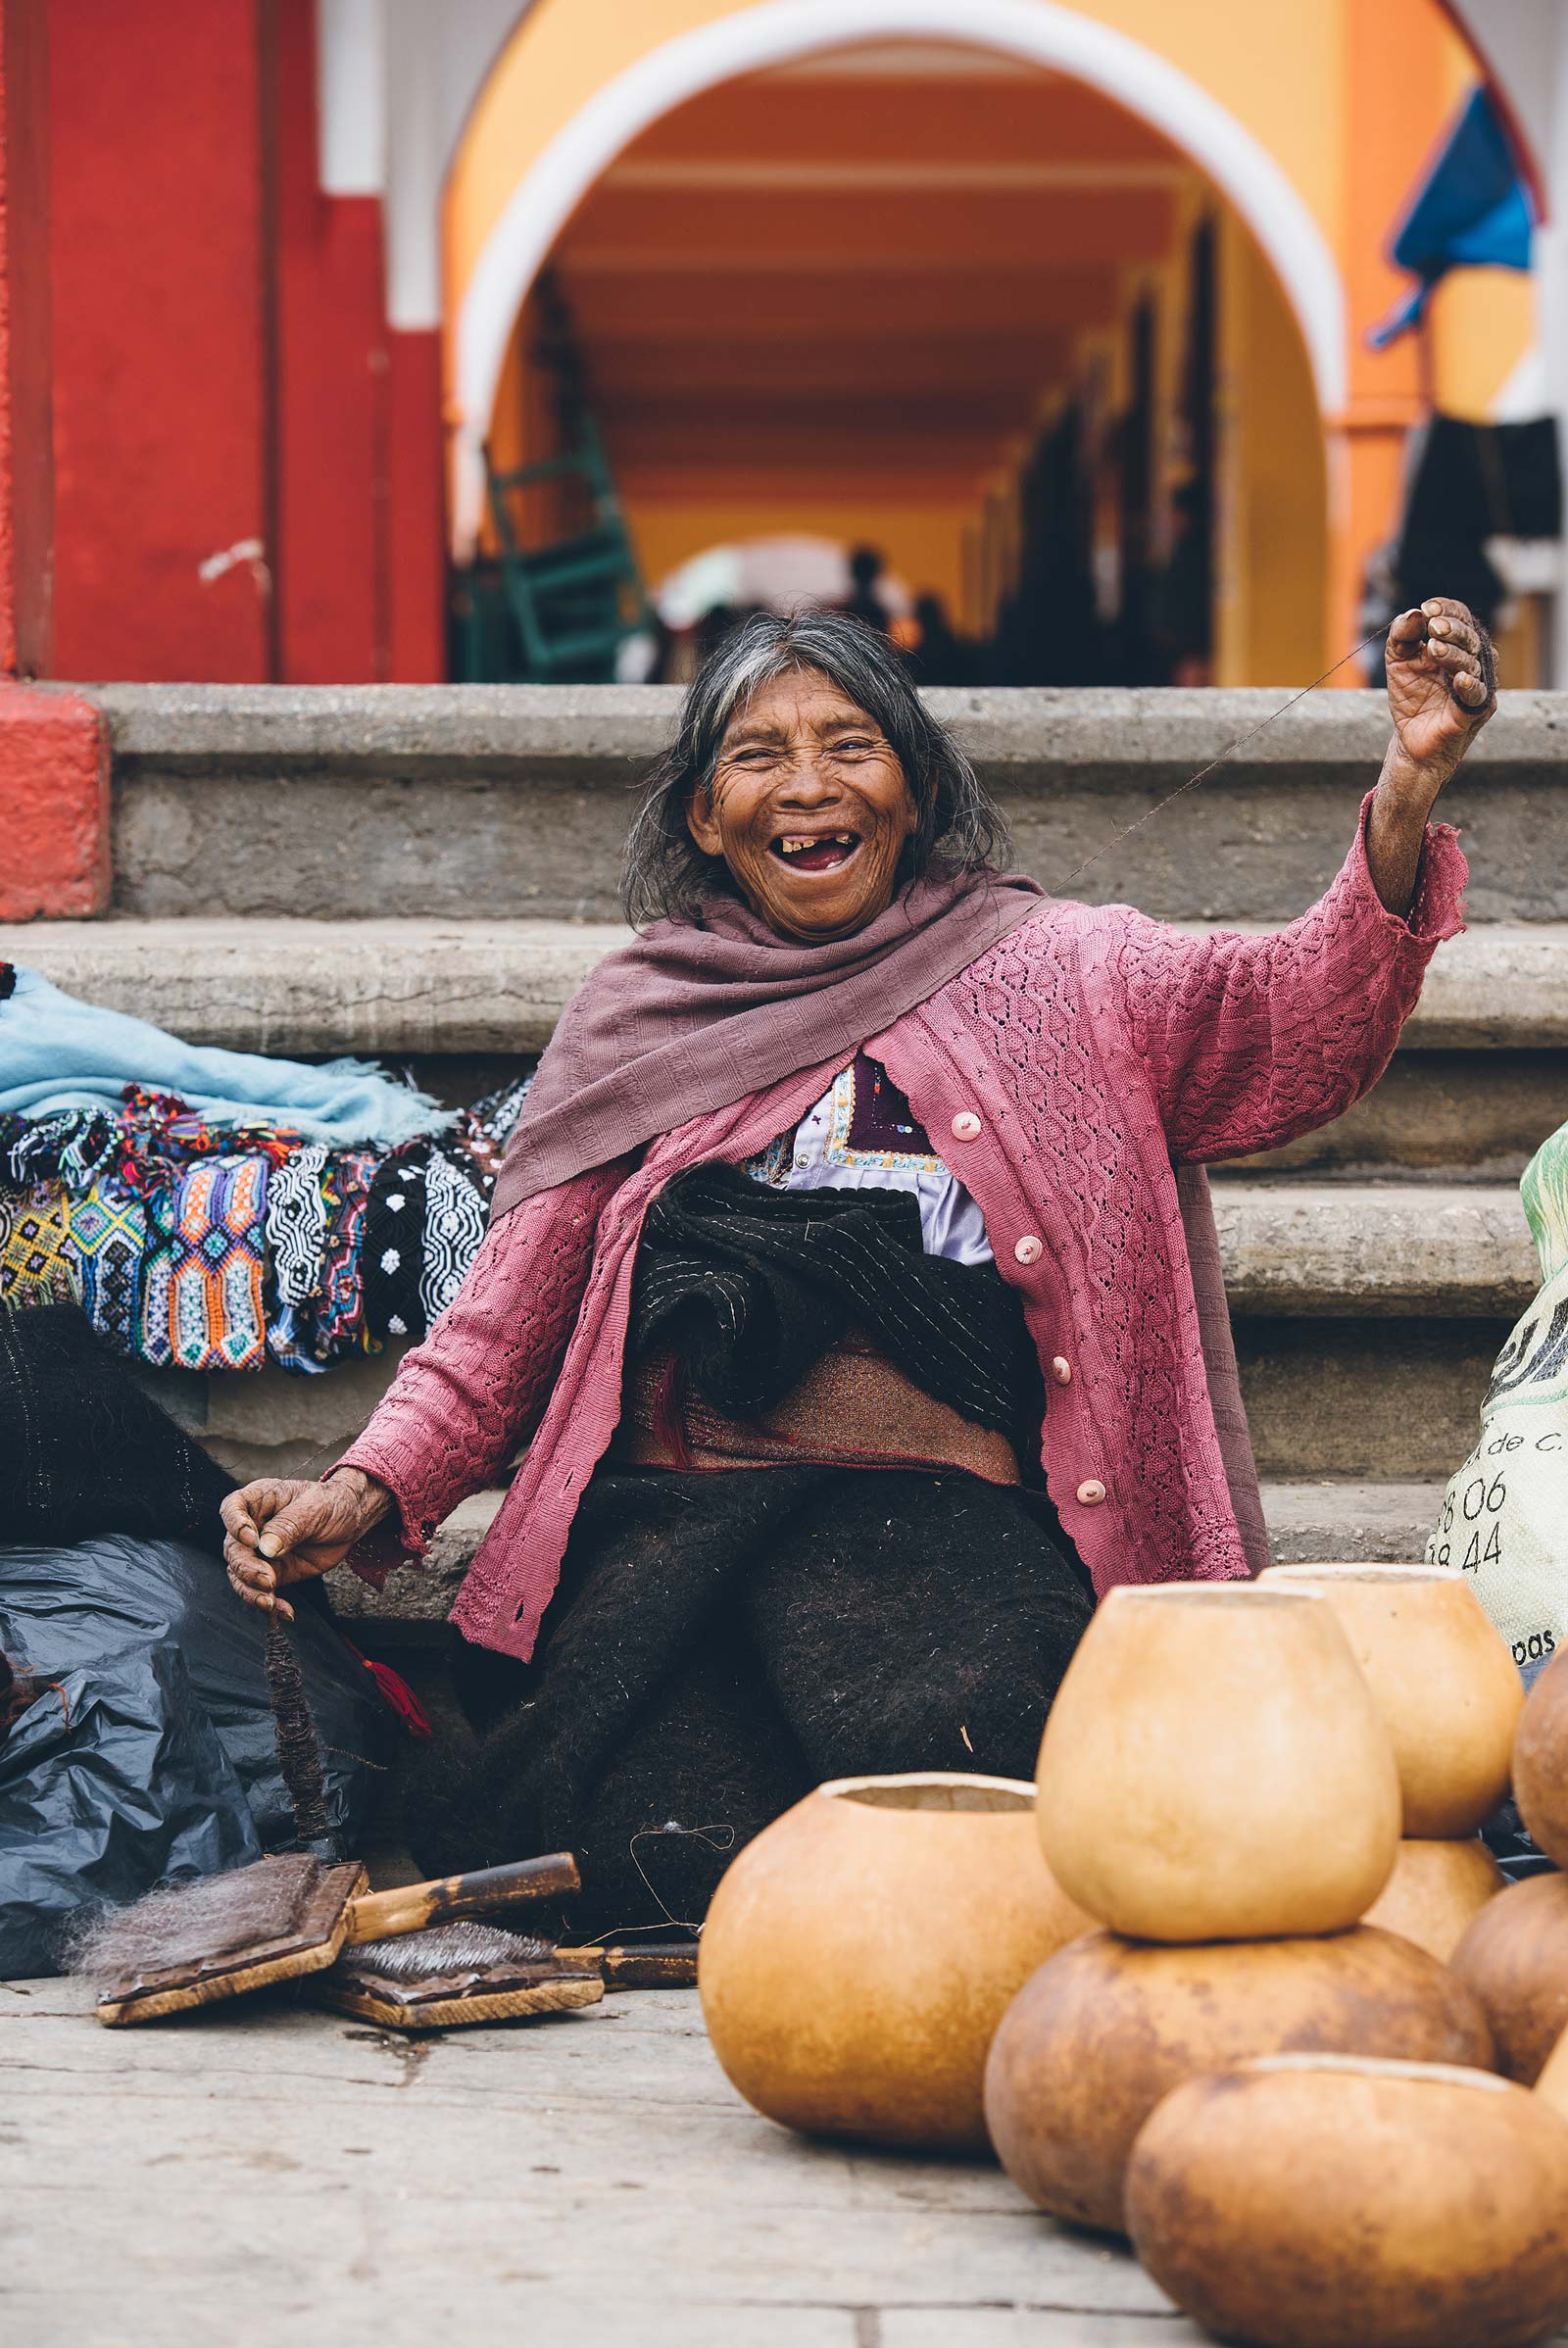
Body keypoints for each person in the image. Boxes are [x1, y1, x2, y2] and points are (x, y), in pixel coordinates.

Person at [220, 599, 1494, 1930]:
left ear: (920, 787)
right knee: (634, 1848)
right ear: (707, 817)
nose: (810, 787)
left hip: (933, 1527)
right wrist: (365, 1489)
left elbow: (1294, 1024)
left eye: (851, 745)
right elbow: (501, 1324)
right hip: (680, 1531)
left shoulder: (1065, 970)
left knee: (993, 1768)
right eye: (759, 756)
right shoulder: (638, 1016)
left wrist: (1406, 790)